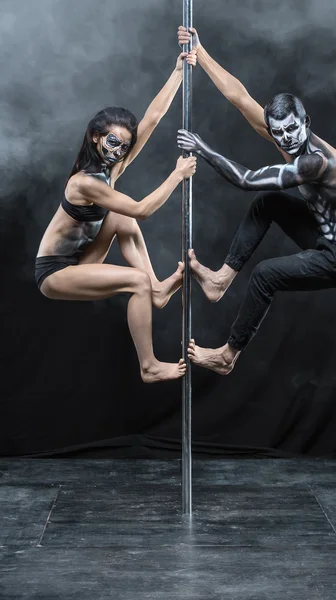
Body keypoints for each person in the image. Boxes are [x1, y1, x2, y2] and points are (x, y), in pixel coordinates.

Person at [177, 26, 336, 375]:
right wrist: (201, 51)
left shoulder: (315, 161)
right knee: (269, 203)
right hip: (326, 236)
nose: (285, 138)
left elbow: (245, 180)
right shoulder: (286, 140)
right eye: (278, 132)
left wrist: (203, 149)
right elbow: (240, 98)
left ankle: (228, 356)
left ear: (305, 122)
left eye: (292, 129)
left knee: (265, 275)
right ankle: (219, 281)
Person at [36, 50, 197, 383]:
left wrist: (178, 71)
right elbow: (142, 209)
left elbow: (151, 120)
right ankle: (149, 365)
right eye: (112, 142)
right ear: (96, 138)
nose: (118, 151)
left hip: (83, 260)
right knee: (133, 272)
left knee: (121, 220)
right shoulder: (84, 183)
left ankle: (156, 291)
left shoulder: (109, 170)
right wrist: (177, 175)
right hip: (55, 273)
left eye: (123, 146)